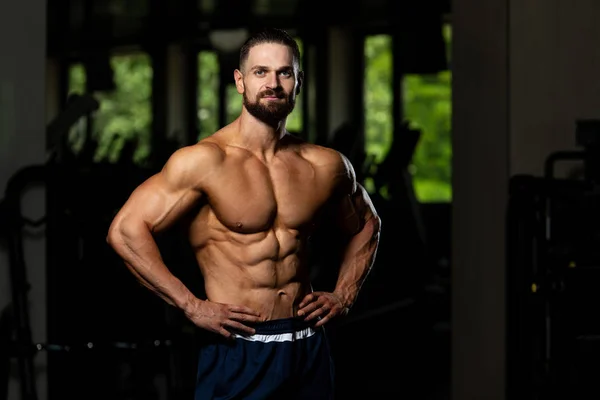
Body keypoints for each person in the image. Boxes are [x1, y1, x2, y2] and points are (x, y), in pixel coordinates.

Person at [107, 27, 381, 400]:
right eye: (260, 72)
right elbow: (125, 231)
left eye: (285, 73)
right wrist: (191, 306)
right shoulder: (205, 161)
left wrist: (344, 295)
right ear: (240, 81)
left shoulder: (325, 165)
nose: (273, 83)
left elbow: (367, 223)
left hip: (308, 346)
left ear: (298, 82)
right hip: (240, 349)